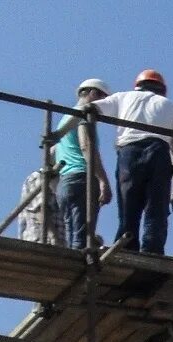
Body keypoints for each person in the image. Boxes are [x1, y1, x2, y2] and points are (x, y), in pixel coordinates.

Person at [91, 69, 173, 255]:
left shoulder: (123, 98)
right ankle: (153, 251)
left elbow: (91, 108)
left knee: (128, 207)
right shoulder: (170, 106)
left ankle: (126, 248)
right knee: (156, 210)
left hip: (129, 154)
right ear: (162, 89)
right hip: (159, 154)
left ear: (137, 86)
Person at [53, 78, 113, 249]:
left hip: (65, 183)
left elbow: (53, 152)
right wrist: (103, 181)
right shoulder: (83, 116)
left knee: (72, 232)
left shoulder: (65, 118)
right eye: (102, 100)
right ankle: (81, 267)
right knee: (83, 236)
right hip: (82, 179)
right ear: (93, 93)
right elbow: (86, 146)